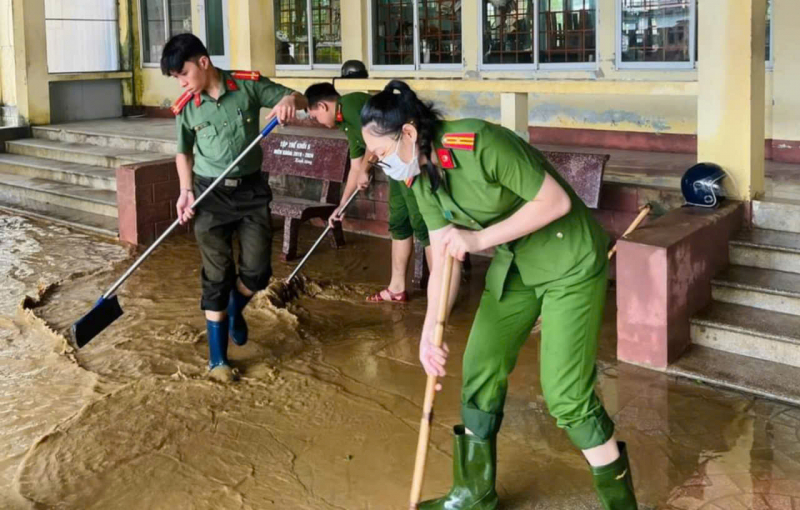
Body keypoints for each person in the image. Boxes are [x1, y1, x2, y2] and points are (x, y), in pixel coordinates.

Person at [360, 80, 638, 509]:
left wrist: (477, 239)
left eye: (380, 154)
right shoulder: (419, 179)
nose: (380, 165)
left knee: (566, 394)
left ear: (409, 134)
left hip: (569, 259)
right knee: (480, 365)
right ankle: (474, 494)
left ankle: (622, 506)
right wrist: (429, 334)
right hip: (516, 264)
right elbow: (443, 257)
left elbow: (555, 202)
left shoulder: (479, 143)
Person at [161, 33, 307, 383]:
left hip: (251, 192)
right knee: (217, 274)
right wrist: (184, 192)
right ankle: (218, 361)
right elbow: (183, 152)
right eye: (176, 78)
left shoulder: (247, 86)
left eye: (183, 74)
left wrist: (288, 100)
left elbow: (299, 99)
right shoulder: (186, 107)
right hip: (208, 195)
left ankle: (234, 308)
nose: (181, 82)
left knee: (257, 273)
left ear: (203, 63)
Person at [305, 78, 432, 303]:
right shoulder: (346, 124)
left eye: (315, 116)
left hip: (409, 164)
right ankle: (397, 288)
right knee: (400, 223)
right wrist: (341, 206)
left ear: (323, 106)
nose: (318, 122)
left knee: (423, 226)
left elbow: (376, 145)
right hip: (395, 172)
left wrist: (367, 167)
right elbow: (356, 166)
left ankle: (439, 292)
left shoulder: (353, 105)